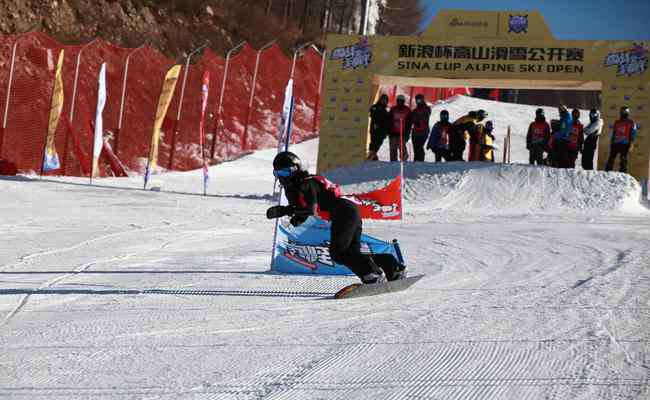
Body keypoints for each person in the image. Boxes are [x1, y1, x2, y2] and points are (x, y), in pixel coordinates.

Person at [267, 151, 407, 284]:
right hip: (346, 212)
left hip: (344, 212)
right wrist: (297, 218)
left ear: (295, 169)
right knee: (351, 254)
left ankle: (371, 274)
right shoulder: (294, 188)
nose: (281, 176)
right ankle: (392, 267)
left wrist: (283, 210)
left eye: (285, 172)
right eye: (277, 173)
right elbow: (302, 209)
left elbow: (311, 208)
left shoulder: (306, 183)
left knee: (338, 253)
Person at [605, 106, 637, 173]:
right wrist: (612, 142)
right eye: (622, 112)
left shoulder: (631, 122)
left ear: (628, 113)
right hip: (616, 143)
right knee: (611, 158)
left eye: (624, 112)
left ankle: (622, 174)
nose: (623, 113)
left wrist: (631, 143)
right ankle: (607, 173)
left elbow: (633, 133)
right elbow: (614, 133)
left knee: (623, 160)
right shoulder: (617, 122)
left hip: (625, 144)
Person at [388, 95, 412, 162]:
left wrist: (407, 133)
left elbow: (409, 123)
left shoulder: (407, 110)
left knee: (402, 148)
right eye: (398, 101)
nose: (400, 102)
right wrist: (389, 131)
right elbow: (389, 120)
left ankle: (404, 160)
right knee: (393, 148)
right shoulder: (393, 109)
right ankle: (393, 162)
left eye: (401, 101)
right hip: (393, 133)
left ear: (403, 101)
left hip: (402, 133)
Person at [368, 94, 391, 161]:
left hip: (381, 131)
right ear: (380, 99)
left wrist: (386, 132)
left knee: (377, 144)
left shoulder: (385, 111)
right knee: (373, 143)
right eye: (383, 99)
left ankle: (373, 156)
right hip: (374, 129)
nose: (384, 101)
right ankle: (371, 156)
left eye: (385, 100)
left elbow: (386, 122)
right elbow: (372, 114)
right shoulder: (375, 107)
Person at [410, 94, 432, 162]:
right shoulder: (415, 110)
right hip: (415, 132)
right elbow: (411, 119)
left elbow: (425, 115)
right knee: (415, 147)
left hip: (423, 131)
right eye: (417, 100)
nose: (418, 101)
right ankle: (416, 161)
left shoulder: (426, 108)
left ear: (422, 100)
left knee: (419, 147)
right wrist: (414, 120)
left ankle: (421, 160)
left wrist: (417, 120)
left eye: (420, 100)